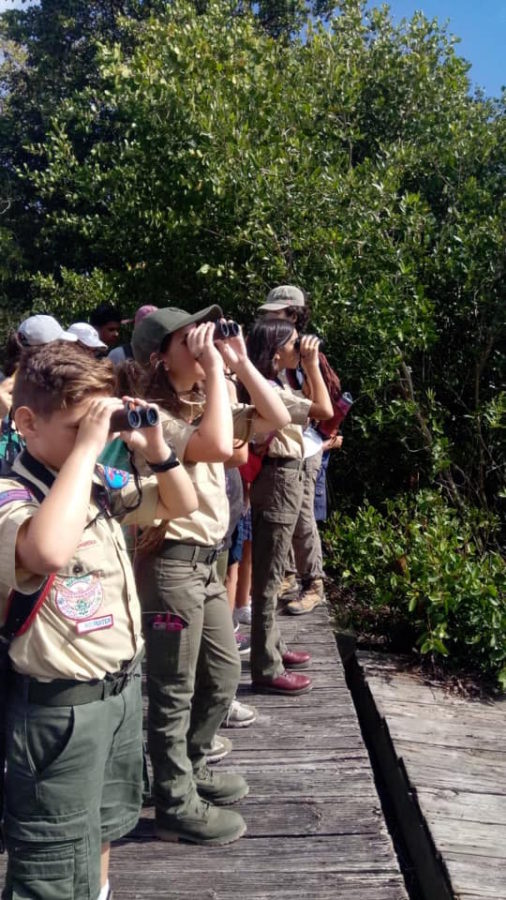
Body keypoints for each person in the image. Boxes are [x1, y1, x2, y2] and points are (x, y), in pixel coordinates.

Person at [0, 341, 197, 900]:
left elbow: (180, 504)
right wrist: (90, 446)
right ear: (27, 423)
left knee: (103, 827)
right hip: (58, 715)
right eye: (76, 427)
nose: (94, 437)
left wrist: (155, 448)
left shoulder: (95, 483)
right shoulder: (11, 492)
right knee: (52, 862)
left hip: (117, 694)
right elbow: (47, 552)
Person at [127, 305, 289, 846]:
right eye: (187, 340)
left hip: (207, 564)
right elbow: (219, 446)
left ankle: (191, 767)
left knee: (220, 677)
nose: (202, 344)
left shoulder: (205, 399)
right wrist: (217, 370)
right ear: (160, 357)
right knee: (173, 688)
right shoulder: (150, 415)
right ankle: (173, 801)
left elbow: (277, 418)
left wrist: (238, 362)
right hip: (171, 564)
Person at [244, 318, 333, 695]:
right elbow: (324, 410)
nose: (300, 348)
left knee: (276, 565)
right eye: (295, 343)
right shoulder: (267, 387)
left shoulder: (277, 382)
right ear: (276, 350)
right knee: (269, 575)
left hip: (287, 475)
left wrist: (307, 366)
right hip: (278, 477)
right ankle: (266, 666)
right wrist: (311, 364)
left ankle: (274, 646)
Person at [259, 286, 343, 615]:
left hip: (305, 447)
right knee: (287, 515)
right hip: (285, 444)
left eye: (275, 313)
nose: (268, 319)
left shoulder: (306, 354)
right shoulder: (277, 347)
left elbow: (323, 405)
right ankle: (288, 576)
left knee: (302, 516)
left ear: (293, 315)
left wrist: (308, 365)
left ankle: (314, 584)